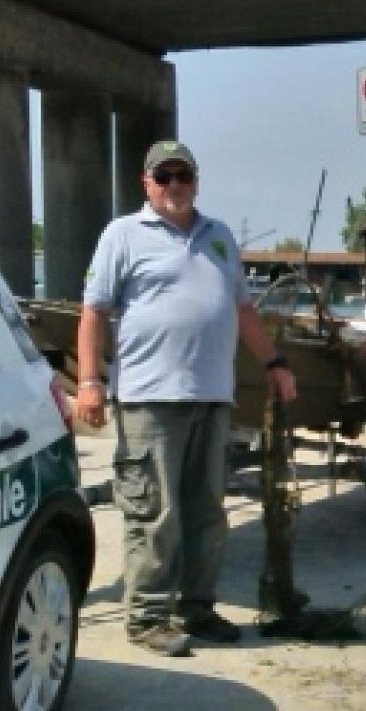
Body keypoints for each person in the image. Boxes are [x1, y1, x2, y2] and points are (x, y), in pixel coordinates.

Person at [76, 140, 297, 655]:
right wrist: (90, 382)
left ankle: (197, 607)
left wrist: (274, 361)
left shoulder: (218, 236)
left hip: (211, 395)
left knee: (206, 512)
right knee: (156, 511)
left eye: (184, 175)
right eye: (164, 176)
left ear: (196, 180)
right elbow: (93, 313)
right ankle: (148, 616)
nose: (175, 185)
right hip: (149, 399)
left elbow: (242, 309)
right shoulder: (122, 235)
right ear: (146, 182)